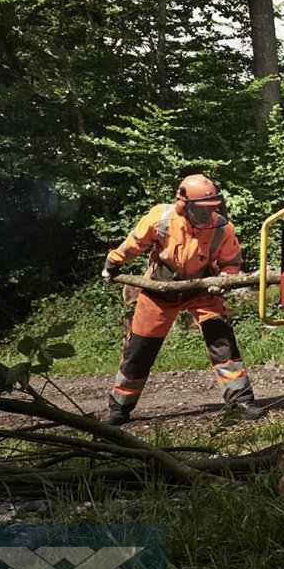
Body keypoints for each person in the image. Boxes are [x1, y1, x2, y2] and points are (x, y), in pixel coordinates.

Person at [100, 174, 264, 424]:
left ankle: (241, 401)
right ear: (183, 204)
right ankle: (119, 408)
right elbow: (133, 243)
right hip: (158, 291)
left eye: (211, 208)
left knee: (223, 341)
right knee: (139, 349)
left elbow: (231, 263)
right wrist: (112, 264)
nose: (207, 214)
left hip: (202, 290)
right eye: (201, 209)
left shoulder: (222, 228)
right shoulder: (161, 218)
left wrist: (222, 282)